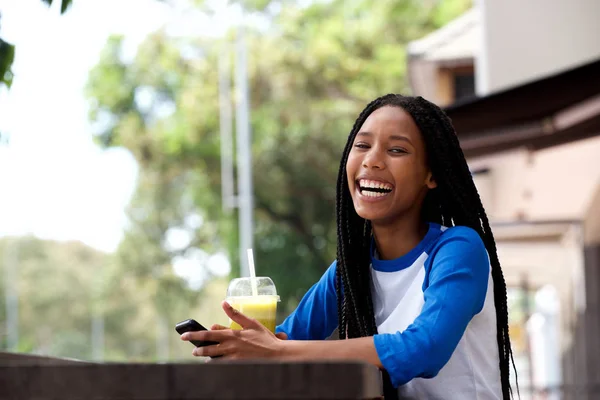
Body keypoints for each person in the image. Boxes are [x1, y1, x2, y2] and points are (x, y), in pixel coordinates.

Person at [181, 94, 517, 399]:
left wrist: (276, 351)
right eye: (362, 145)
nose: (373, 160)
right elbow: (287, 339)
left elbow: (423, 349)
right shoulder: (351, 270)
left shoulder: (459, 248)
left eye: (397, 150)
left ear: (431, 175)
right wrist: (241, 347)